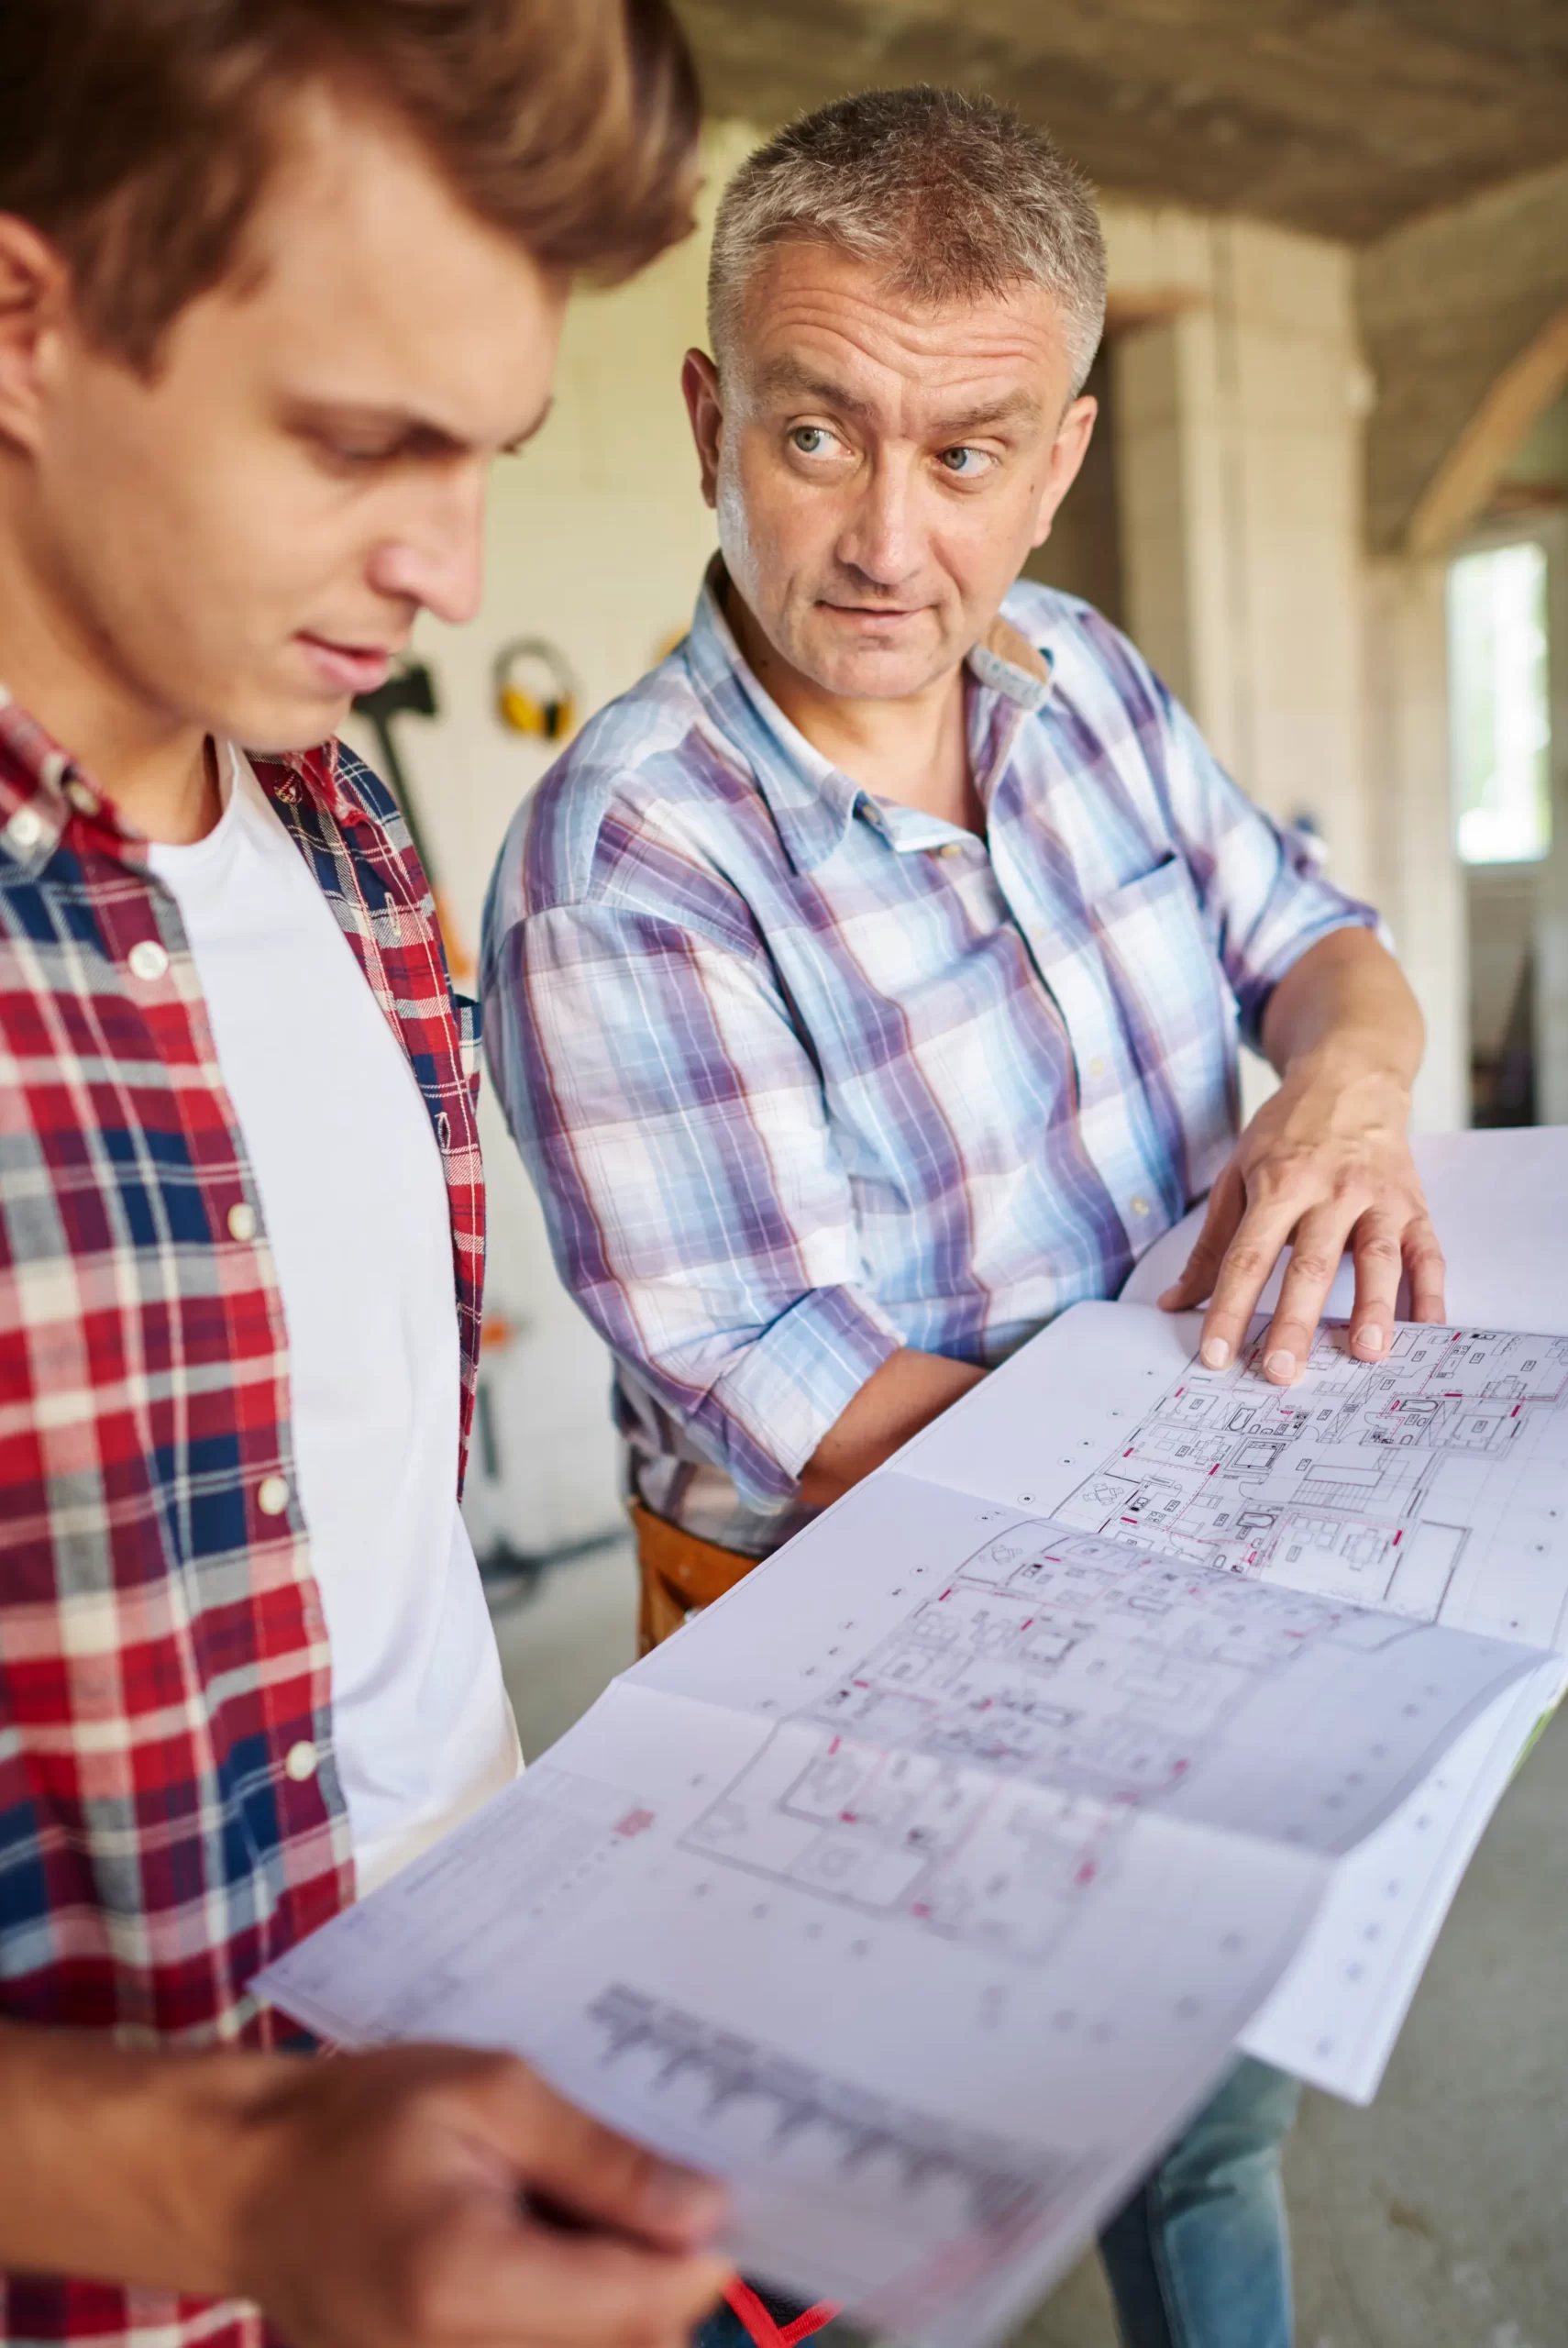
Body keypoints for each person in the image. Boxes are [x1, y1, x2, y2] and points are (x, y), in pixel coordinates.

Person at [481, 88, 1448, 2348]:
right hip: (863, 1666)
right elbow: (804, 1398)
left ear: (1065, 454)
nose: (892, 542)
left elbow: (1328, 947)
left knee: (1207, 2124)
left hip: (1186, 1582)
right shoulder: (628, 864)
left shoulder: (1086, 681)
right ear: (714, 414)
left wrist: (1349, 1083)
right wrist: (1259, 1512)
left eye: (971, 453)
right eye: (822, 436)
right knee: (833, 2242)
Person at [0, 6, 732, 2347]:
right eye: (355, 444)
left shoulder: (338, 816)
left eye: (490, 451)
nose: (445, 561)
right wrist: (221, 2175)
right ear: (24, 322)